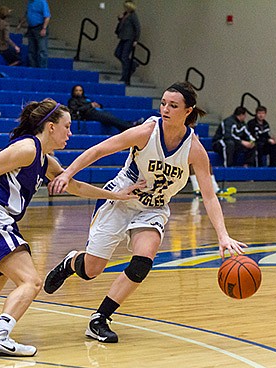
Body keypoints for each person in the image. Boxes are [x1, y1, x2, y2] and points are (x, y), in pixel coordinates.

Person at [0, 99, 143, 356]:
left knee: (3, 266)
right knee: (31, 282)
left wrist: (118, 195)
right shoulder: (27, 149)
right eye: (66, 126)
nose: (70, 132)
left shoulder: (45, 160)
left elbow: (74, 186)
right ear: (50, 127)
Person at [44, 82, 246, 343]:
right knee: (92, 270)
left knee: (144, 260)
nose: (165, 109)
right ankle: (71, 262)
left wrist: (223, 235)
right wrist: (68, 173)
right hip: (120, 198)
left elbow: (209, 195)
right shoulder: (147, 131)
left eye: (173, 105)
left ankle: (100, 319)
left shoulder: (194, 149)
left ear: (188, 111)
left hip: (153, 207)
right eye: (163, 103)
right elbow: (99, 150)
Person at [68, 85, 142, 133]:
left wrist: (98, 105)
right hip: (87, 114)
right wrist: (90, 105)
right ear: (73, 92)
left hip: (96, 111)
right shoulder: (72, 100)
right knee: (110, 118)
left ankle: (128, 124)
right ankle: (129, 126)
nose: (78, 92)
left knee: (111, 117)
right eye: (76, 90)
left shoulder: (86, 99)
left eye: (80, 90)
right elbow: (76, 110)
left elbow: (97, 105)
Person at [114, 1, 140, 85]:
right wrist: (120, 18)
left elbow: (137, 27)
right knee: (118, 53)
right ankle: (132, 64)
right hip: (123, 37)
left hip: (129, 38)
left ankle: (125, 76)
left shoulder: (133, 16)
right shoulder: (126, 14)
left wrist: (136, 40)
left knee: (124, 57)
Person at [24, 0, 50, 68]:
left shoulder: (42, 2)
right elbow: (28, 13)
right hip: (31, 28)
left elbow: (47, 16)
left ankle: (42, 69)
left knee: (42, 49)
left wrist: (44, 28)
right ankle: (32, 67)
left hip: (40, 27)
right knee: (31, 50)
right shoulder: (30, 2)